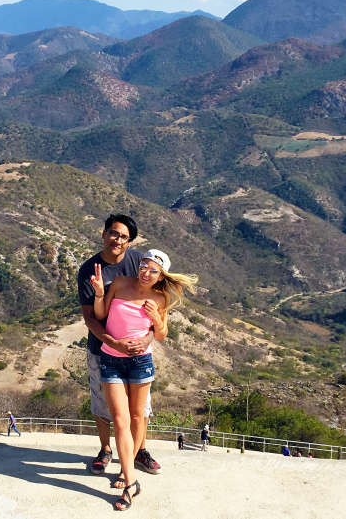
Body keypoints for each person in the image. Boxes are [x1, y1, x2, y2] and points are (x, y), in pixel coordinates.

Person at [92, 248, 197, 511]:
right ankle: (131, 481)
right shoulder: (120, 283)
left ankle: (125, 471)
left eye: (153, 271)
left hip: (140, 362)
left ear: (161, 275)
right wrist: (99, 294)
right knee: (120, 420)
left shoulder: (160, 298)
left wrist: (155, 318)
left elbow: (160, 334)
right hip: (111, 359)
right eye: (143, 266)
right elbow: (101, 314)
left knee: (138, 417)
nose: (145, 273)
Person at [78, 215, 162, 477]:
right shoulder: (89, 270)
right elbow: (91, 317)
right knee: (102, 404)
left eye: (124, 237)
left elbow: (157, 303)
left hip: (137, 351)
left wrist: (148, 339)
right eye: (114, 233)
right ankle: (105, 449)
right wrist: (113, 342)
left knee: (140, 408)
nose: (118, 240)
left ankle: (139, 451)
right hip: (101, 348)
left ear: (130, 242)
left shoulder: (139, 262)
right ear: (104, 234)